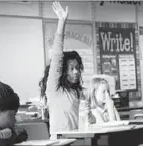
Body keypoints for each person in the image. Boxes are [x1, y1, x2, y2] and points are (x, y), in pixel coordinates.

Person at [46, 2, 95, 138]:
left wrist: (89, 115)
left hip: (78, 141)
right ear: (63, 71)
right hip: (60, 141)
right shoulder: (54, 88)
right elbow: (57, 55)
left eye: (78, 68)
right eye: (71, 68)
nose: (76, 72)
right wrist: (61, 22)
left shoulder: (78, 92)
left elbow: (90, 122)